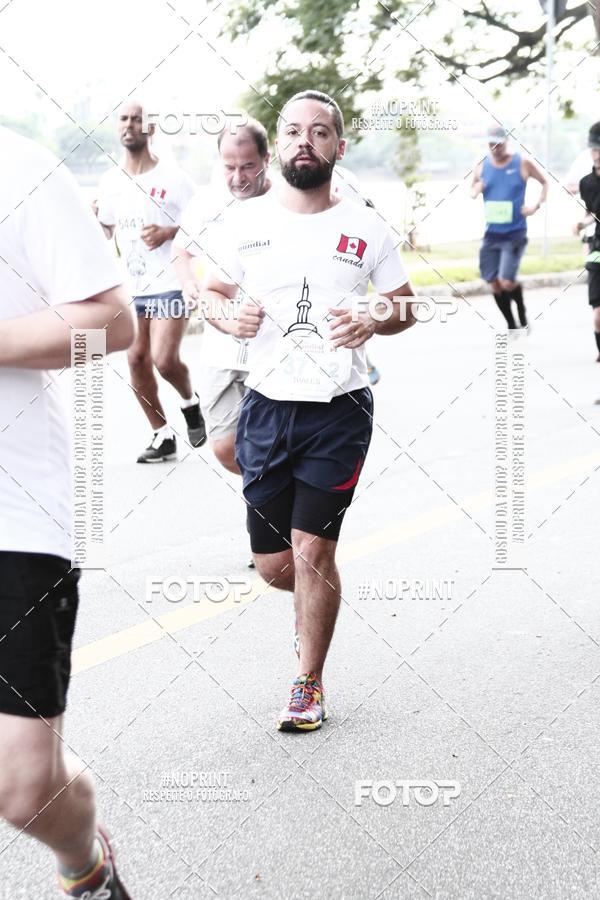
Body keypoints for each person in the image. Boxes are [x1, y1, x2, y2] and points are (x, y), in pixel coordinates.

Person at [203, 90, 416, 732]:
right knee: (276, 566)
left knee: (312, 549)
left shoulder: (367, 227)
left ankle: (308, 682)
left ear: (337, 148)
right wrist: (224, 312)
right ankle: (320, 591)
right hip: (266, 407)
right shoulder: (244, 222)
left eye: (318, 132)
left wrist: (376, 316)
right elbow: (209, 290)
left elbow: (405, 305)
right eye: (293, 130)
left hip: (339, 410)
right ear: (280, 142)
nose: (304, 140)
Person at [0, 125, 134, 897]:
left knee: (21, 789)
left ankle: (85, 864)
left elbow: (111, 325)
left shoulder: (18, 169)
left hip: (14, 515)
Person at [95, 100, 206, 462]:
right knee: (136, 359)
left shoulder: (174, 179)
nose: (130, 125)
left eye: (137, 119)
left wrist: (169, 231)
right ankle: (162, 435)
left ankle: (190, 404)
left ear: (151, 128)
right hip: (132, 287)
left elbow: (204, 226)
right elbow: (105, 233)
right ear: (118, 127)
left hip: (170, 282)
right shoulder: (110, 181)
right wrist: (95, 221)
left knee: (163, 359)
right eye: (124, 119)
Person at [173, 118, 272, 475]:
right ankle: (267, 492)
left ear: (267, 159)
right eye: (229, 167)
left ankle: (271, 507)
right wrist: (188, 283)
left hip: (272, 346)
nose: (238, 177)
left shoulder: (287, 202)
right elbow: (180, 251)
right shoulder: (208, 203)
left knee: (272, 442)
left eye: (248, 166)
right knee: (225, 445)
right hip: (223, 342)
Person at [471, 124, 548, 333]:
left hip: (515, 232)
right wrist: (476, 189)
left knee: (506, 282)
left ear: (507, 142)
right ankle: (512, 325)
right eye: (490, 144)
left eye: (498, 144)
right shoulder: (482, 164)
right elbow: (472, 190)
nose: (495, 148)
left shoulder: (522, 162)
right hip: (491, 234)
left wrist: (535, 206)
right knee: (494, 284)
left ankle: (521, 311)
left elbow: (544, 182)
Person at [573, 121, 600, 361]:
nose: (597, 154)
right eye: (594, 149)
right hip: (598, 250)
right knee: (598, 316)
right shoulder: (587, 183)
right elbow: (592, 212)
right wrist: (582, 223)